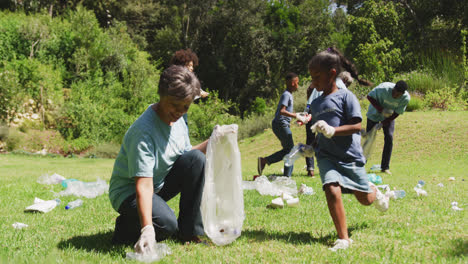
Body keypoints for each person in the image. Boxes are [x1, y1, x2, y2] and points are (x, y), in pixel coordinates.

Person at [109, 65, 209, 254]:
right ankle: (126, 227)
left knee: (197, 159)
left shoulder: (179, 120)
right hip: (130, 191)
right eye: (174, 105)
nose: (179, 111)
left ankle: (189, 232)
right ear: (161, 95)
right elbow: (143, 184)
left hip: (157, 184)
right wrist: (148, 228)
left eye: (185, 107)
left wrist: (215, 140)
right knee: (167, 226)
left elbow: (187, 155)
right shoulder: (143, 132)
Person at [307, 49, 389, 252]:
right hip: (326, 156)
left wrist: (333, 130)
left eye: (317, 76)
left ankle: (374, 190)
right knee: (331, 189)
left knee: (365, 200)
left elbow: (356, 126)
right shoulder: (316, 103)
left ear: (332, 73)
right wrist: (309, 134)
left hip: (349, 156)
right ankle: (344, 239)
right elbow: (316, 125)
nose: (313, 81)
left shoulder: (346, 97)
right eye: (311, 77)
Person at [257, 72, 309, 177]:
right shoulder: (286, 95)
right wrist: (296, 116)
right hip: (280, 124)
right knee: (290, 151)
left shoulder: (288, 94)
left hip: (281, 124)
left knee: (288, 150)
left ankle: (266, 161)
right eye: (297, 82)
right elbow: (282, 111)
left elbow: (284, 113)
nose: (298, 85)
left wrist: (295, 118)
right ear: (293, 83)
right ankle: (285, 176)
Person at [304, 71, 353, 177]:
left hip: (311, 110)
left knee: (311, 138)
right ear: (344, 80)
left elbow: (309, 94)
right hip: (326, 112)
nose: (346, 86)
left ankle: (310, 169)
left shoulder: (322, 80)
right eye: (347, 84)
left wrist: (306, 112)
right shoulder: (339, 83)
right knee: (328, 139)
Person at [366, 81, 410, 175]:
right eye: (394, 92)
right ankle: (361, 164)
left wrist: (383, 123)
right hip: (373, 114)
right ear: (393, 88)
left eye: (398, 95)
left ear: (402, 94)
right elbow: (369, 96)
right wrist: (381, 110)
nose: (394, 95)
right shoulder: (383, 89)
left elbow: (397, 113)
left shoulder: (405, 98)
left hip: (388, 117)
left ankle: (385, 167)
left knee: (389, 137)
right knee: (369, 138)